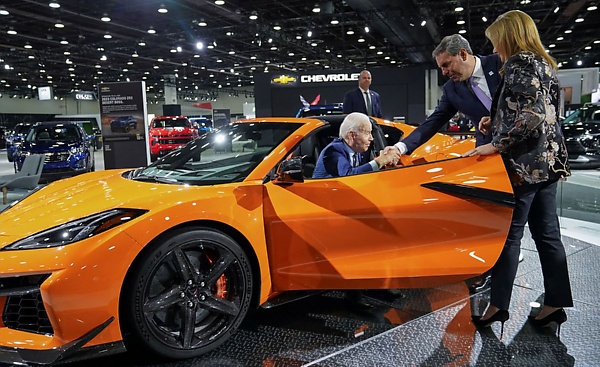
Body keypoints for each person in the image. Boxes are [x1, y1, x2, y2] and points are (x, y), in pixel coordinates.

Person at [464, 10, 573, 336]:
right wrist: (495, 120)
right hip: (548, 164)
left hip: (524, 167)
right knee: (548, 236)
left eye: (497, 41)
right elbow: (543, 110)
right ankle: (555, 304)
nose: (495, 49)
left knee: (510, 238)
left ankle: (498, 306)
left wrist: (497, 143)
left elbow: (534, 114)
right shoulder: (544, 64)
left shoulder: (518, 64)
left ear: (509, 37)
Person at [383, 34, 505, 292]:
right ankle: (489, 268)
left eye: (447, 65)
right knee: (491, 218)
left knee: (535, 225)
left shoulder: (501, 63)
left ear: (463, 54)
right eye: (440, 68)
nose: (445, 72)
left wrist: (498, 120)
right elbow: (432, 122)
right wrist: (400, 147)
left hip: (523, 152)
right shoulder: (452, 89)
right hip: (487, 156)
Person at [312, 112, 399, 178]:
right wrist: (380, 161)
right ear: (352, 135)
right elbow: (348, 176)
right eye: (367, 133)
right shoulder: (333, 150)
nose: (371, 138)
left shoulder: (358, 150)